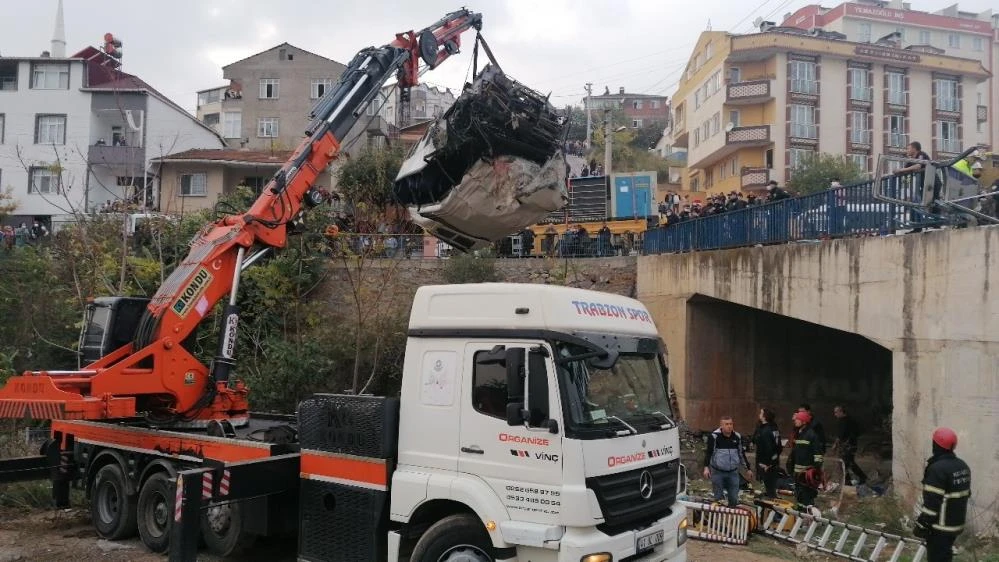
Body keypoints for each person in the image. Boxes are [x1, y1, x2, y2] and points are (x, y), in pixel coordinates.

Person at [913, 427, 970, 562]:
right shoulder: (962, 465)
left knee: (937, 558)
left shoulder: (937, 469)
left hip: (940, 527)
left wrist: (922, 524)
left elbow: (932, 503)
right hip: (956, 524)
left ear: (935, 445)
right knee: (945, 556)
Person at [702, 416, 752, 507]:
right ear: (721, 425)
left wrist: (748, 468)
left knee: (733, 498)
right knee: (719, 499)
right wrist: (706, 467)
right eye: (727, 424)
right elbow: (709, 453)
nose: (729, 426)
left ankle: (731, 517)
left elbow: (741, 454)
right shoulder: (714, 437)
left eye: (731, 424)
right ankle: (719, 519)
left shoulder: (737, 436)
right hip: (718, 472)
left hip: (733, 473)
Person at [790, 410, 824, 507]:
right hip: (798, 474)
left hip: (806, 475)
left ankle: (809, 517)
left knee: (807, 498)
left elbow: (818, 455)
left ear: (804, 422)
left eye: (798, 419)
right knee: (799, 497)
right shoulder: (799, 434)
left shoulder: (811, 435)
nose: (795, 421)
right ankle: (801, 517)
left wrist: (815, 471)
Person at [832, 406, 867, 486]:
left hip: (847, 446)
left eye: (836, 412)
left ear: (841, 412)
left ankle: (849, 481)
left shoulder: (844, 422)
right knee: (849, 463)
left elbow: (840, 435)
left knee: (846, 463)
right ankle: (856, 479)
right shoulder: (851, 420)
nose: (835, 414)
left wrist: (835, 444)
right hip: (852, 445)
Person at [753, 408, 783, 498]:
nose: (759, 415)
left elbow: (768, 449)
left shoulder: (765, 431)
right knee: (771, 486)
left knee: (769, 487)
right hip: (774, 462)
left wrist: (767, 464)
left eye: (761, 413)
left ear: (765, 416)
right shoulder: (774, 428)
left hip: (766, 464)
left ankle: (770, 504)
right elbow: (779, 447)